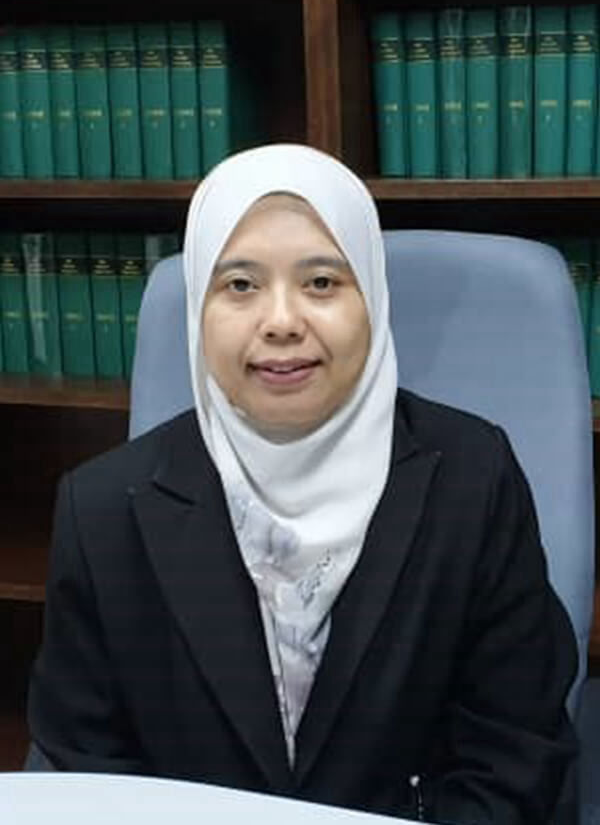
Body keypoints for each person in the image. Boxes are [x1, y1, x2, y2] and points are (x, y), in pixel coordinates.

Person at [27, 144, 577, 824]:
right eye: (240, 285)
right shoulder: (103, 511)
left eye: (320, 282)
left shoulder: (474, 476)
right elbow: (88, 773)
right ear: (199, 307)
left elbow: (516, 756)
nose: (282, 321)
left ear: (370, 296)